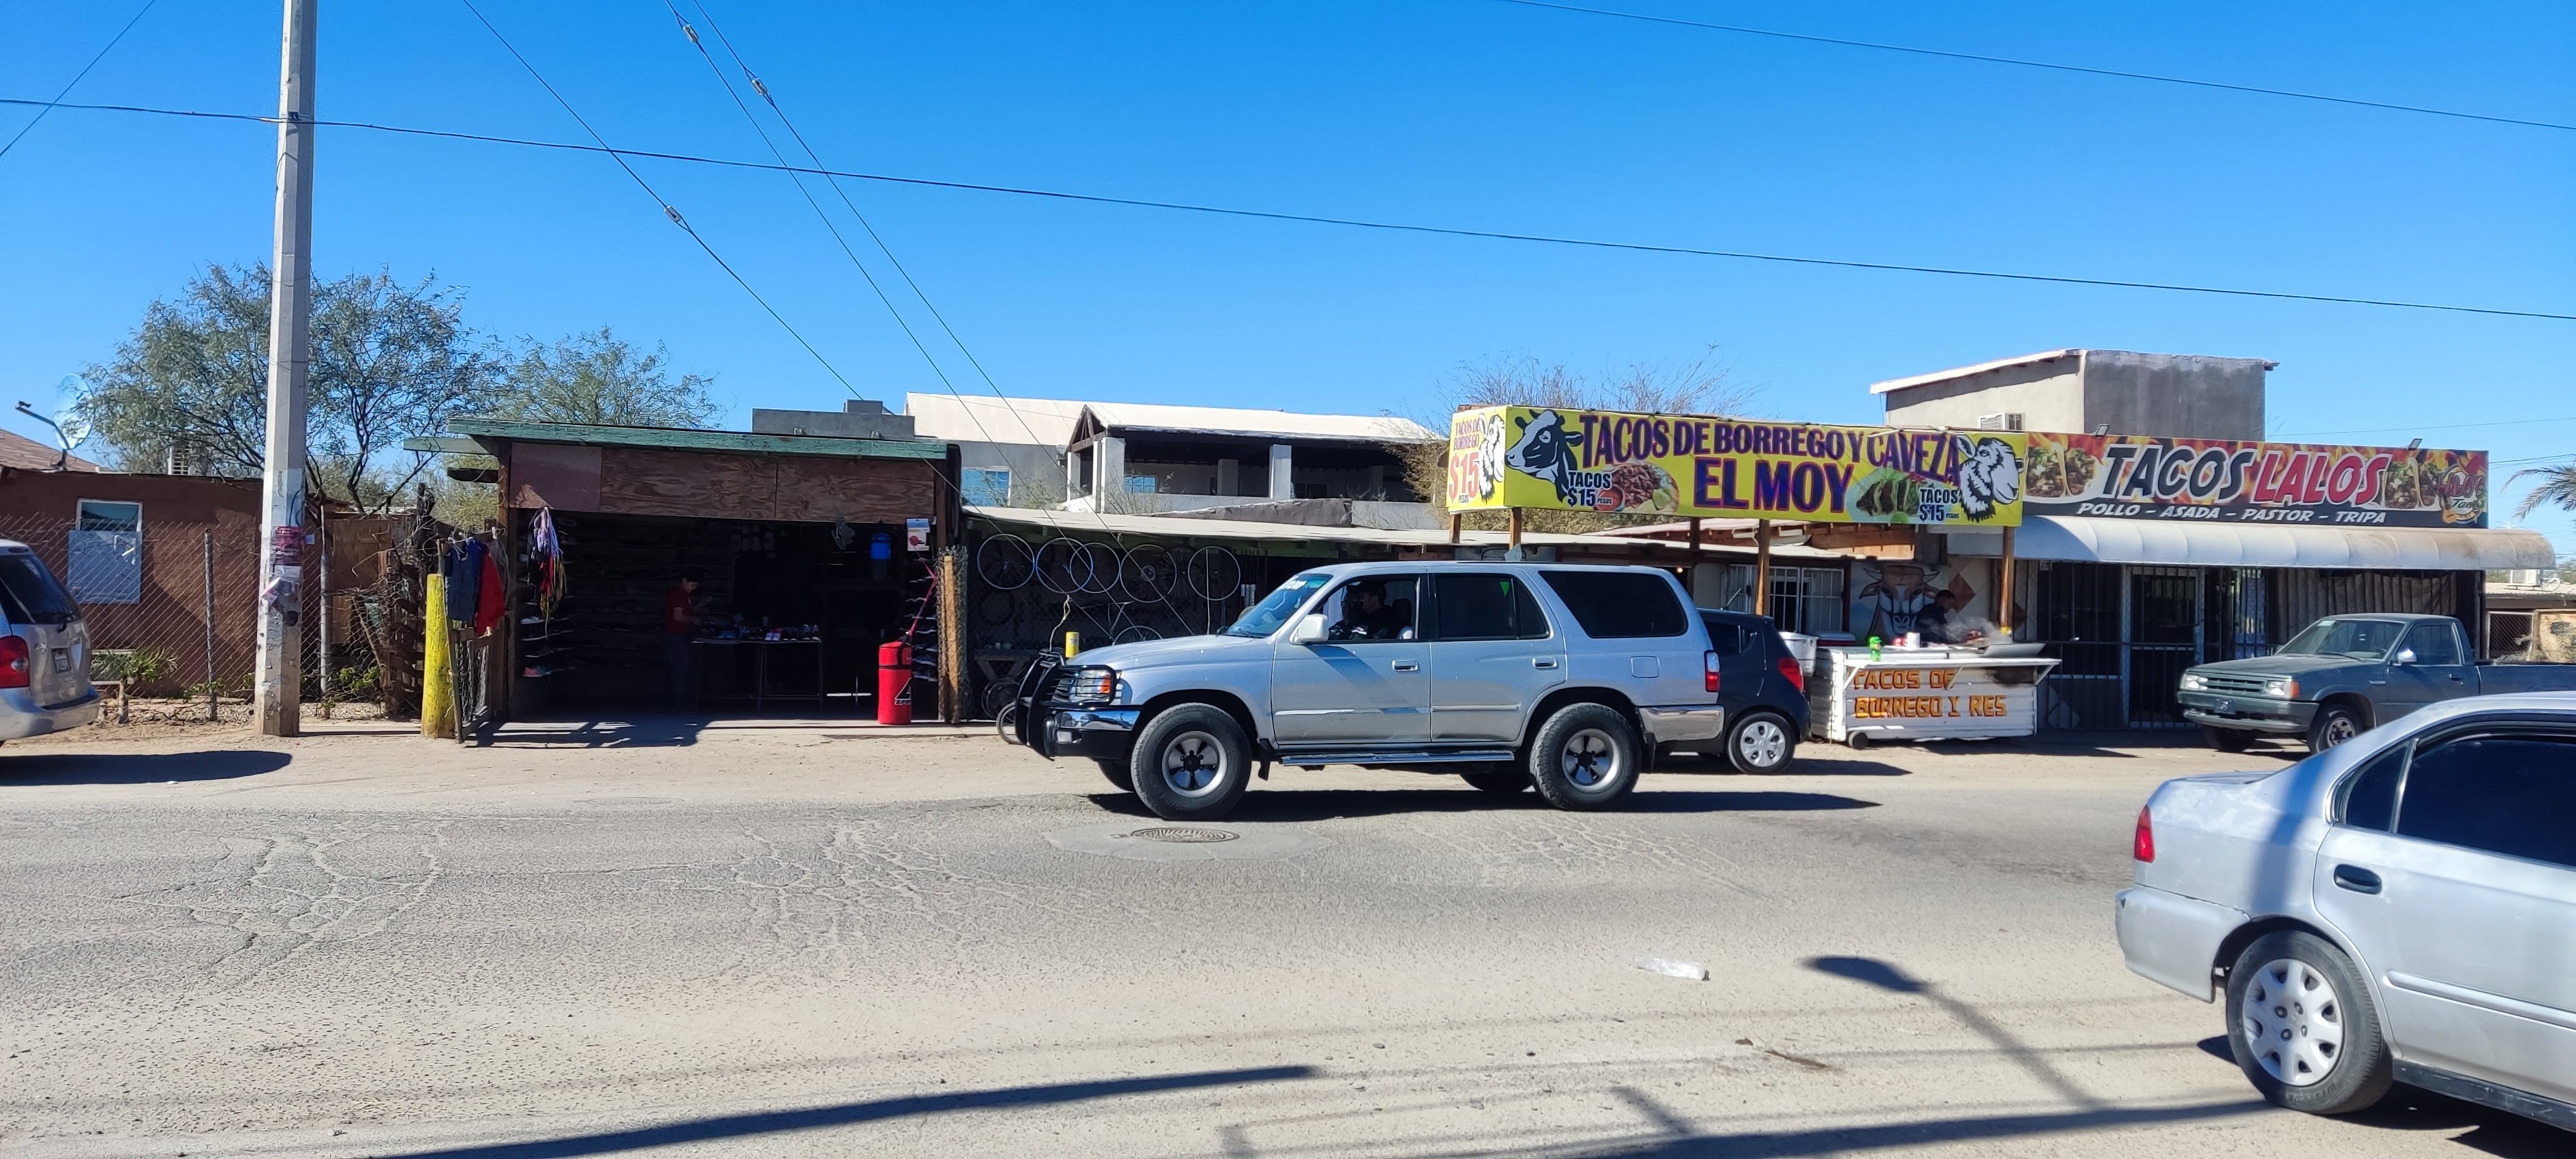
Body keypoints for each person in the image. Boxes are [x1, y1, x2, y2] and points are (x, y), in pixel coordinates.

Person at [663, 572, 701, 710]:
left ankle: (672, 704)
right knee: (680, 670)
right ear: (685, 580)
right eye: (692, 585)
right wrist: (694, 620)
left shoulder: (681, 594)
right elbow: (678, 617)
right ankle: (677, 703)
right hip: (676, 636)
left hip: (675, 635)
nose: (693, 588)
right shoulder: (679, 594)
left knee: (675, 670)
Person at [1332, 580, 1410, 640]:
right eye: (1351, 598)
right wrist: (1347, 619)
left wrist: (1348, 623)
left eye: (1359, 597)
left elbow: (1361, 644)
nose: (1353, 601)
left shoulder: (1386, 622)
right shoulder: (1359, 618)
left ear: (1374, 599)